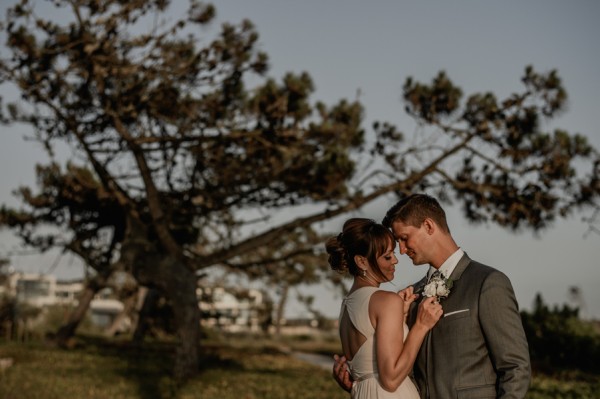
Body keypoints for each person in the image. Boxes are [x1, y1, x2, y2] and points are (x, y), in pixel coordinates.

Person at [333, 194, 531, 398]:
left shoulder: (487, 283)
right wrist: (364, 382)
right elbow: (401, 369)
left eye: (404, 238)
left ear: (428, 226)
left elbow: (515, 367)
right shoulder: (411, 295)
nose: (401, 250)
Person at [326, 217, 442, 398]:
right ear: (362, 262)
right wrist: (421, 326)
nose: (395, 260)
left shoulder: (347, 304)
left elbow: (369, 356)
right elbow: (390, 379)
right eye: (387, 256)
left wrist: (400, 316)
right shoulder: (386, 301)